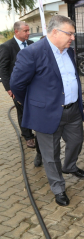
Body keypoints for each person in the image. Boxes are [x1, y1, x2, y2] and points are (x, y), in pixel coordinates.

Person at [10, 15, 84, 207]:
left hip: (72, 110)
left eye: (73, 34)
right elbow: (17, 85)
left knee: (77, 141)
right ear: (55, 32)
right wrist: (33, 103)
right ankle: (58, 188)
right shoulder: (32, 53)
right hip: (46, 113)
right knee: (50, 154)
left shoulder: (69, 52)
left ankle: (69, 166)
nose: (72, 38)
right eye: (69, 34)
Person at [0, 21, 42, 167]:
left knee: (35, 110)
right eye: (25, 30)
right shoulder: (6, 47)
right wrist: (9, 88)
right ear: (16, 32)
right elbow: (3, 69)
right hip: (18, 87)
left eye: (28, 30)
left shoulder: (31, 44)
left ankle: (39, 134)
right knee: (22, 111)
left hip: (34, 86)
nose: (28, 33)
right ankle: (28, 136)